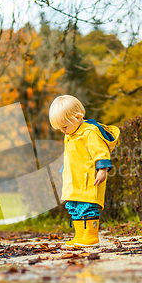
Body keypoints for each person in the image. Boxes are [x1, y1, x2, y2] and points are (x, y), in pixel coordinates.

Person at [49, 95, 120, 247]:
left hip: (88, 179)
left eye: (64, 127)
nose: (63, 131)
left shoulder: (89, 133)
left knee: (87, 207)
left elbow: (100, 152)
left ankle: (91, 236)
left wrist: (102, 170)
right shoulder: (71, 134)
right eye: (60, 128)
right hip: (74, 180)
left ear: (77, 117)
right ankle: (80, 235)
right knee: (75, 207)